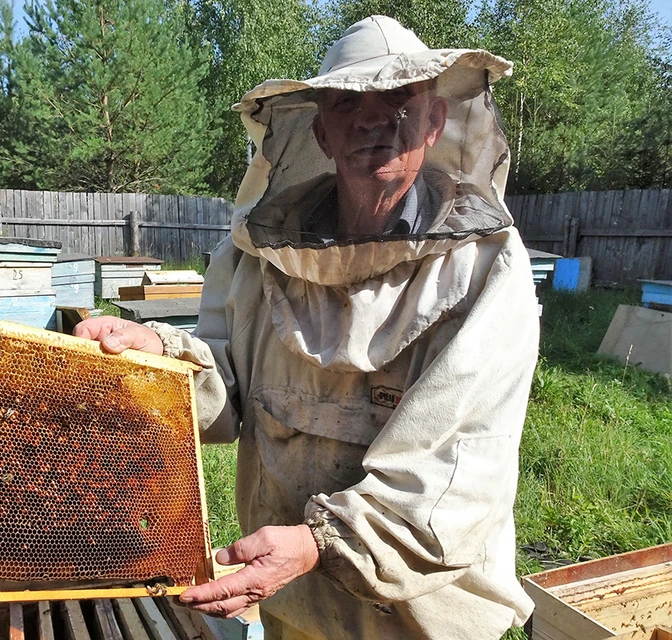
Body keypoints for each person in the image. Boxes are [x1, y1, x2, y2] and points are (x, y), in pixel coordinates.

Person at [75, 15, 538, 640]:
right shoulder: (256, 255)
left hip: (420, 615)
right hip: (294, 599)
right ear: (321, 130)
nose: (374, 120)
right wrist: (157, 353)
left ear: (434, 122)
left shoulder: (485, 267)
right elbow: (226, 386)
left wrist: (322, 539)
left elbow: (459, 466)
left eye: (398, 99)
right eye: (348, 103)